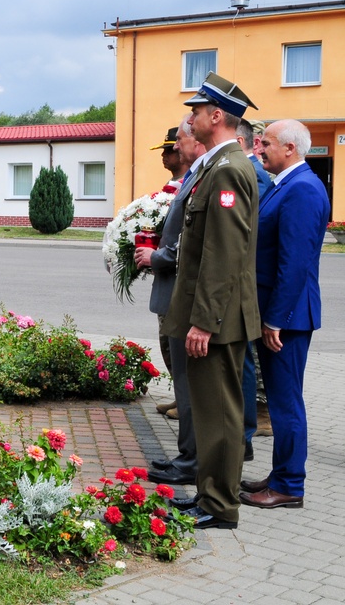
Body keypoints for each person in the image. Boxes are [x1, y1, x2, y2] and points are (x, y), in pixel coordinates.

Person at [161, 72, 262, 530]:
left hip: (217, 320)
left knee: (220, 414)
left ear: (216, 116)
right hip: (212, 316)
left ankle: (220, 506)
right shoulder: (218, 166)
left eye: (197, 111)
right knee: (208, 410)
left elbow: (223, 255)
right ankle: (208, 495)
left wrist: (203, 322)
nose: (191, 118)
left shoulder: (228, 170)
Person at [239, 119, 330, 510]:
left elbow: (294, 263)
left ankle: (290, 484)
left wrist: (275, 318)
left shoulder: (303, 189)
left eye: (267, 143)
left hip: (288, 319)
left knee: (285, 402)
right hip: (282, 313)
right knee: (281, 399)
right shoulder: (288, 184)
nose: (260, 148)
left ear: (290, 148)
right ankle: (280, 475)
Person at [137, 116, 201, 486]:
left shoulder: (211, 175)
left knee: (194, 384)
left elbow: (199, 244)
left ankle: (195, 460)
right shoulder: (194, 177)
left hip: (190, 297)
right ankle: (189, 455)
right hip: (179, 290)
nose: (169, 152)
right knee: (185, 382)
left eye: (174, 143)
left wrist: (159, 256)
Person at [144, 125, 190, 417]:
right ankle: (180, 395)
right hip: (163, 268)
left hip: (175, 272)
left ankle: (187, 401)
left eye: (167, 150)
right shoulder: (170, 186)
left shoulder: (188, 184)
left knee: (175, 339)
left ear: (179, 151)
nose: (163, 156)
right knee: (166, 339)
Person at [234, 119, 274, 461]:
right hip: (243, 281)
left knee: (245, 360)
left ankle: (244, 434)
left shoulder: (253, 174)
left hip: (247, 283)